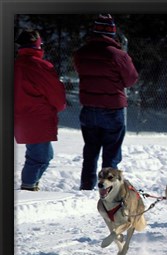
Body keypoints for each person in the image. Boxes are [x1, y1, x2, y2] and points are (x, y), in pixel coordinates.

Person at [73, 14, 139, 190]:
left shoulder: (81, 53)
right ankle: (109, 189)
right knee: (111, 152)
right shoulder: (119, 56)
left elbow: (81, 72)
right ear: (112, 33)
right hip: (113, 109)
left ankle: (86, 186)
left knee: (90, 150)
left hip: (88, 108)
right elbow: (131, 79)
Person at [14, 29, 66, 191]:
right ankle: (28, 188)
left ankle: (30, 185)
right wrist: (58, 107)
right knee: (39, 158)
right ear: (38, 46)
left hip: (20, 117)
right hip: (38, 117)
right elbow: (56, 95)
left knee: (42, 155)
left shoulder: (15, 65)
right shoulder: (42, 67)